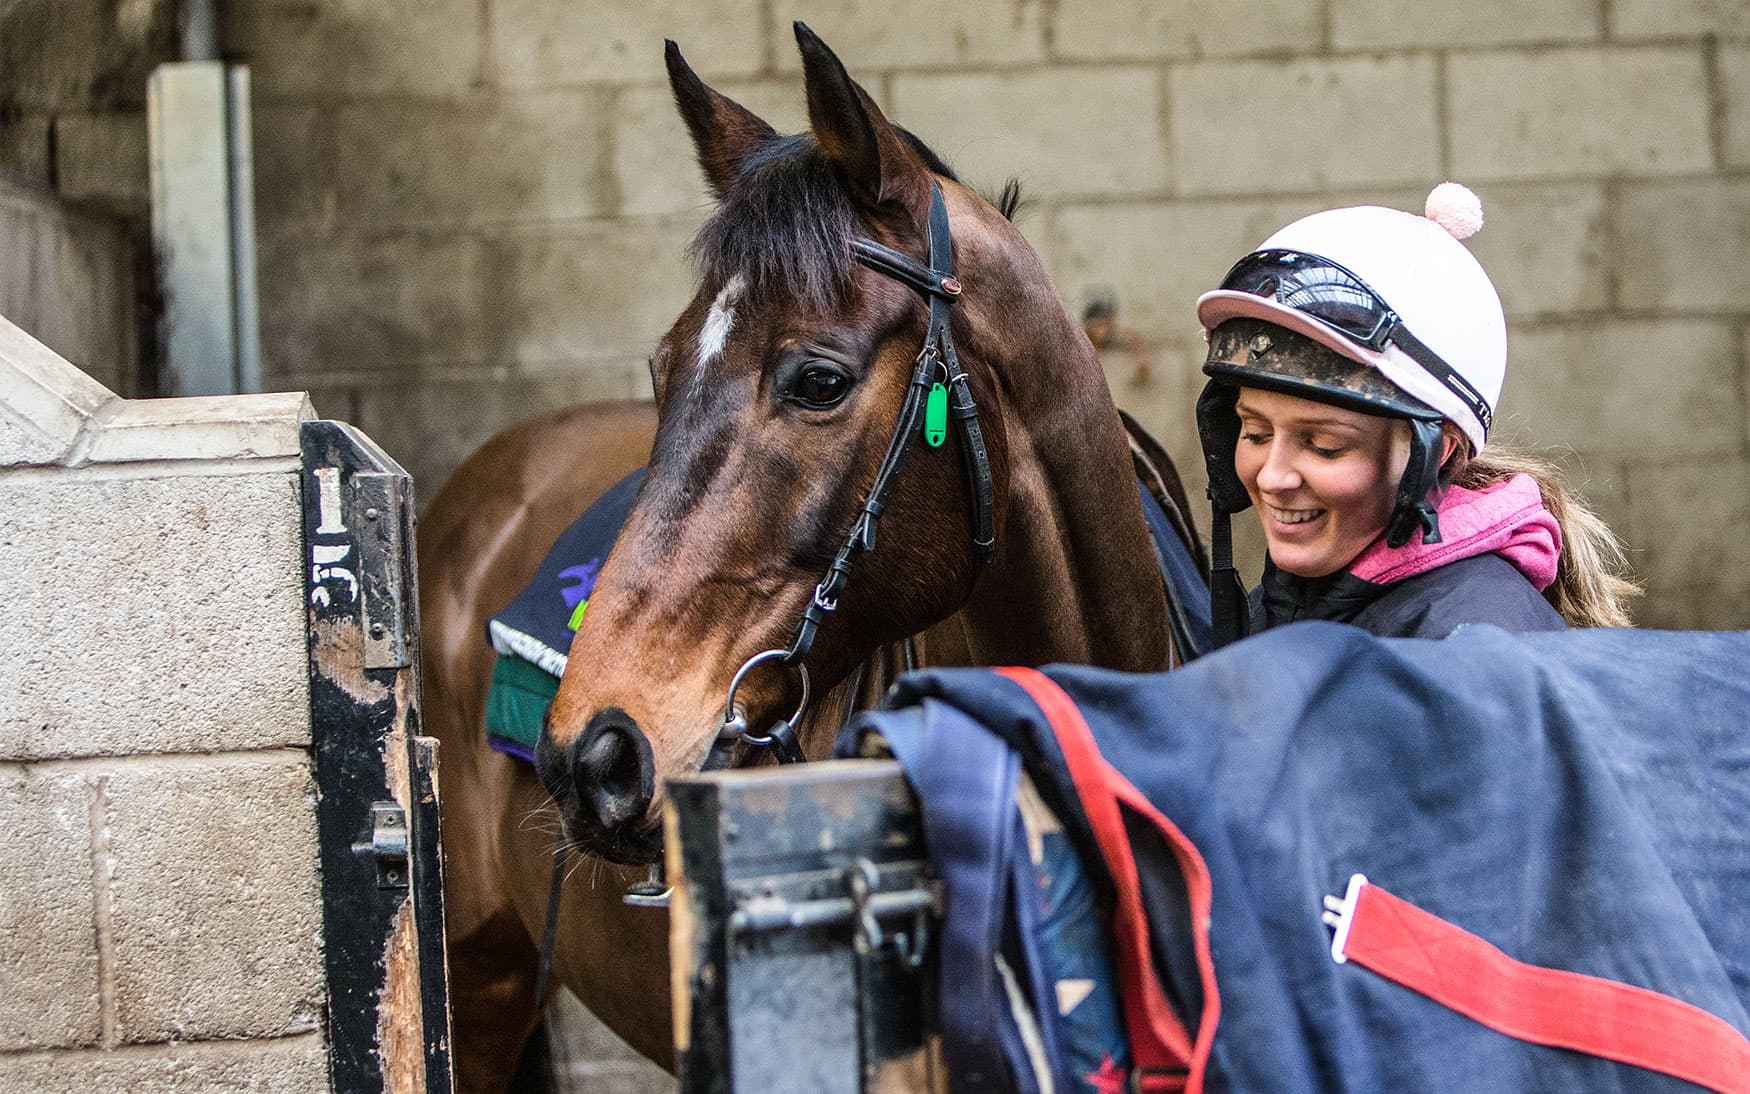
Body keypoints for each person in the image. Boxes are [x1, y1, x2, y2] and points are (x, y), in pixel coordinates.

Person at [1194, 183, 1638, 644]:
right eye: (1256, 432)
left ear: (1436, 454)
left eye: (1324, 446)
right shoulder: (1304, 594)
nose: (1271, 477)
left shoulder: (1469, 643)